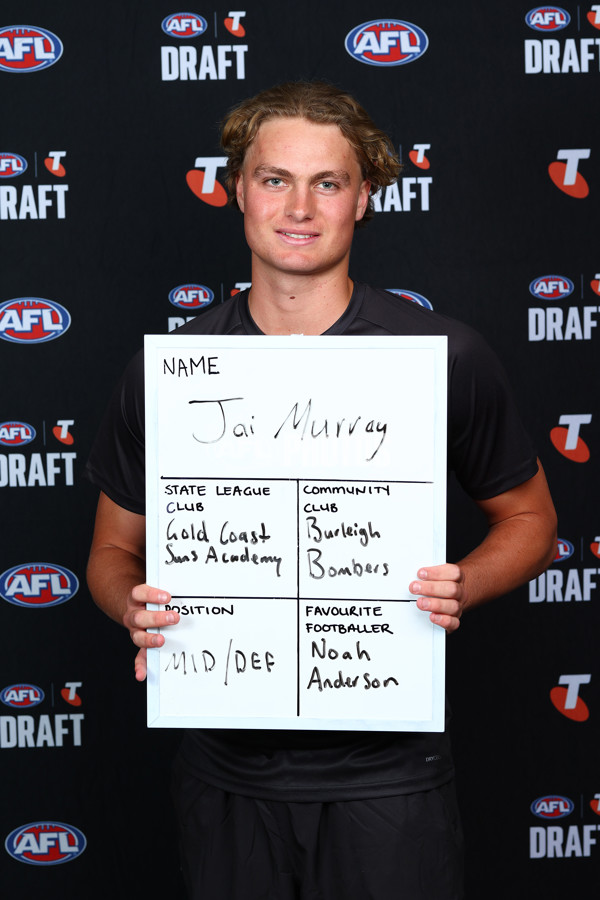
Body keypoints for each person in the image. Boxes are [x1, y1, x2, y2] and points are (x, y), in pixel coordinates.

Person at [86, 81, 557, 899]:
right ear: (238, 190)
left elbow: (529, 518)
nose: (298, 206)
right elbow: (109, 550)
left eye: (328, 183)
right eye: (275, 179)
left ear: (364, 198)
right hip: (224, 778)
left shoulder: (444, 356)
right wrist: (130, 604)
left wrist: (465, 583)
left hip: (390, 780)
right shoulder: (167, 372)